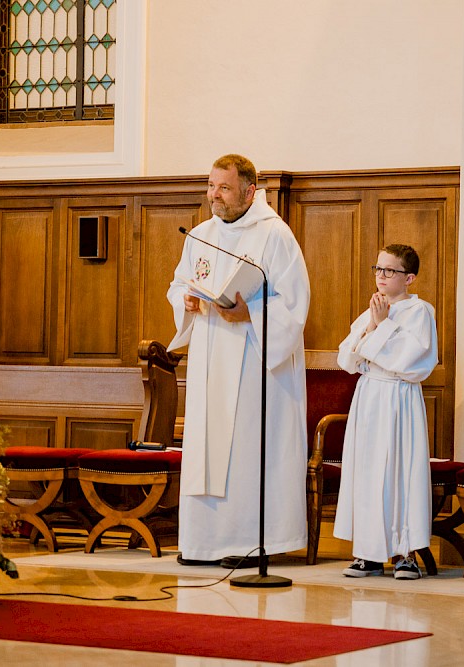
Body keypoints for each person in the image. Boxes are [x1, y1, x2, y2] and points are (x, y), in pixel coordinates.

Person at [166, 154, 310, 568]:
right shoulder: (198, 235)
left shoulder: (275, 236)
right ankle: (201, 543)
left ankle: (248, 542)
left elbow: (295, 302)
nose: (214, 196)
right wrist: (186, 300)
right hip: (211, 354)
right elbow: (178, 284)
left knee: (245, 448)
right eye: (211, 186)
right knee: (207, 448)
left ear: (249, 191)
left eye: (224, 188)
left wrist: (252, 313)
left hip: (253, 360)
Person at [333, 244, 438, 580]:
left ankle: (404, 554)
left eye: (389, 270)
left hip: (398, 398)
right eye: (377, 268)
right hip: (369, 397)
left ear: (409, 278)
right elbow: (347, 359)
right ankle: (368, 553)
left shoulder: (420, 311)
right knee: (367, 471)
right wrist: (371, 328)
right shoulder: (372, 311)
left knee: (398, 471)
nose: (380, 275)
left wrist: (380, 328)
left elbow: (412, 360)